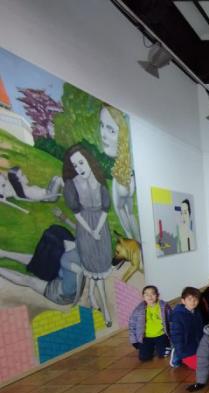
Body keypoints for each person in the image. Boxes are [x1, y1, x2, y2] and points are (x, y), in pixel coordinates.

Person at [62, 144, 113, 326]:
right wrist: (91, 231)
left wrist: (98, 229)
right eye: (75, 165)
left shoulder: (100, 182)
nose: (79, 168)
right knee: (93, 267)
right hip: (85, 229)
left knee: (100, 266)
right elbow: (76, 213)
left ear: (89, 161)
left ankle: (91, 294)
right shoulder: (72, 184)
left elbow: (106, 209)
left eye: (81, 163)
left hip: (101, 228)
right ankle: (105, 311)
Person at [0, 226, 84, 306]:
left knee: (29, 280)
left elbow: (70, 289)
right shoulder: (75, 246)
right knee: (40, 259)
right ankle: (3, 253)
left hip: (61, 294)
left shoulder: (67, 260)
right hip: (62, 276)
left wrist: (76, 298)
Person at [100, 105, 139, 241]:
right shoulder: (129, 156)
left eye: (111, 130)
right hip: (129, 178)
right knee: (130, 212)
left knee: (120, 209)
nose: (103, 135)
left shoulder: (122, 158)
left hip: (121, 178)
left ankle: (131, 238)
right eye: (102, 125)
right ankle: (138, 240)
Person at [128, 285, 171, 362]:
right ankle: (152, 347)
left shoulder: (164, 307)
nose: (150, 296)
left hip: (161, 335)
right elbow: (132, 325)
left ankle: (164, 345)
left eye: (152, 294)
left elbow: (171, 321)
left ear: (157, 295)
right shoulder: (139, 309)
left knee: (163, 354)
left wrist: (172, 336)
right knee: (144, 358)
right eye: (147, 294)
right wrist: (134, 341)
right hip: (146, 337)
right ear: (143, 297)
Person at [170, 287, 204, 368]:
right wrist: (181, 352)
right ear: (183, 301)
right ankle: (176, 356)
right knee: (201, 366)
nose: (193, 302)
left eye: (195, 300)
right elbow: (176, 336)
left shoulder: (197, 312)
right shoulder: (178, 315)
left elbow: (200, 331)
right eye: (189, 299)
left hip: (196, 345)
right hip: (184, 348)